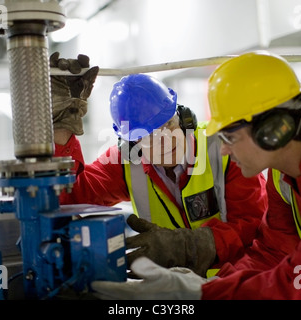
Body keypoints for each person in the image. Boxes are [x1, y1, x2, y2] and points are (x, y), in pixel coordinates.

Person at [90, 50, 301, 300]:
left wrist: (199, 294)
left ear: (273, 130)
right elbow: (270, 254)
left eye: (229, 136)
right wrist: (212, 284)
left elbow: (297, 283)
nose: (223, 151)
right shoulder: (284, 174)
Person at [49, 52, 268, 277]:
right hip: (173, 292)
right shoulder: (124, 163)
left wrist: (188, 246)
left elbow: (254, 227)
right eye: (148, 135)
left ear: (184, 118)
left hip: (237, 286)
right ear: (132, 145)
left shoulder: (225, 148)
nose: (165, 140)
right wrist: (62, 128)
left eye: (168, 123)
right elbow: (66, 198)